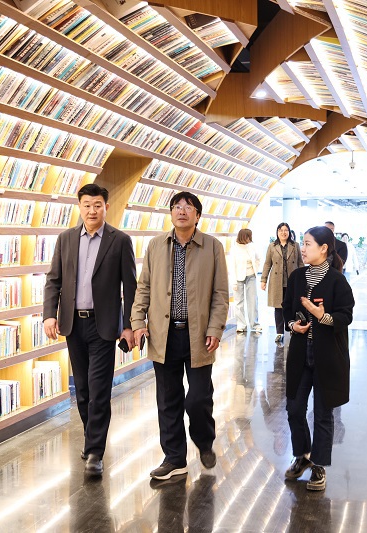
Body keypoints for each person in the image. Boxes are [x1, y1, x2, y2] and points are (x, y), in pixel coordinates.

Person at [131, 191, 229, 481]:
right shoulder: (156, 245)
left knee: (198, 398)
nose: (181, 211)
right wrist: (138, 321)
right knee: (168, 399)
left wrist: (215, 329)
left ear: (198, 215)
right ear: (171, 213)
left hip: (199, 336)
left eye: (188, 207)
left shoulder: (212, 247)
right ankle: (174, 458)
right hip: (164, 334)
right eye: (176, 206)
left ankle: (204, 441)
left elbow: (220, 294)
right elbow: (144, 287)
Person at [43, 183, 137, 477]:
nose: (92, 211)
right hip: (73, 324)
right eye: (87, 205)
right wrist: (49, 315)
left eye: (97, 205)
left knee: (99, 390)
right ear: (79, 207)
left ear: (106, 207)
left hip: (103, 326)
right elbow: (53, 280)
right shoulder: (66, 239)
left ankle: (95, 451)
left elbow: (130, 287)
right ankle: (90, 438)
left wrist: (128, 325)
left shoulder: (119, 241)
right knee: (82, 391)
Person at [283, 226, 354, 491]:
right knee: (294, 409)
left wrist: (321, 316)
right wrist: (293, 325)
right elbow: (287, 310)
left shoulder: (337, 281)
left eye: (308, 244)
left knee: (323, 414)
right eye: (302, 243)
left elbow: (346, 316)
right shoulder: (297, 277)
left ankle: (319, 466)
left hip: (328, 356)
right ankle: (303, 456)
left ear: (324, 249)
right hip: (300, 354)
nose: (302, 248)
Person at [261, 223, 303, 344]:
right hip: (277, 281)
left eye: (286, 230)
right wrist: (263, 280)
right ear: (277, 232)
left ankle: (293, 329)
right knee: (278, 308)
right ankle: (279, 333)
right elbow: (267, 264)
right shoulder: (272, 246)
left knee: (293, 306)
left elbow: (300, 263)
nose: (283, 232)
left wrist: (303, 279)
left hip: (292, 281)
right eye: (281, 230)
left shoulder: (295, 245)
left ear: (289, 232)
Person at [232, 228, 262, 334]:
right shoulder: (235, 248)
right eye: (248, 236)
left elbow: (258, 258)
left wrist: (255, 270)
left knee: (253, 301)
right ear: (243, 237)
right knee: (238, 302)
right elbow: (232, 266)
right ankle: (241, 325)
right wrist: (233, 282)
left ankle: (255, 324)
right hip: (238, 278)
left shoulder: (252, 246)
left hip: (251, 276)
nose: (250, 239)